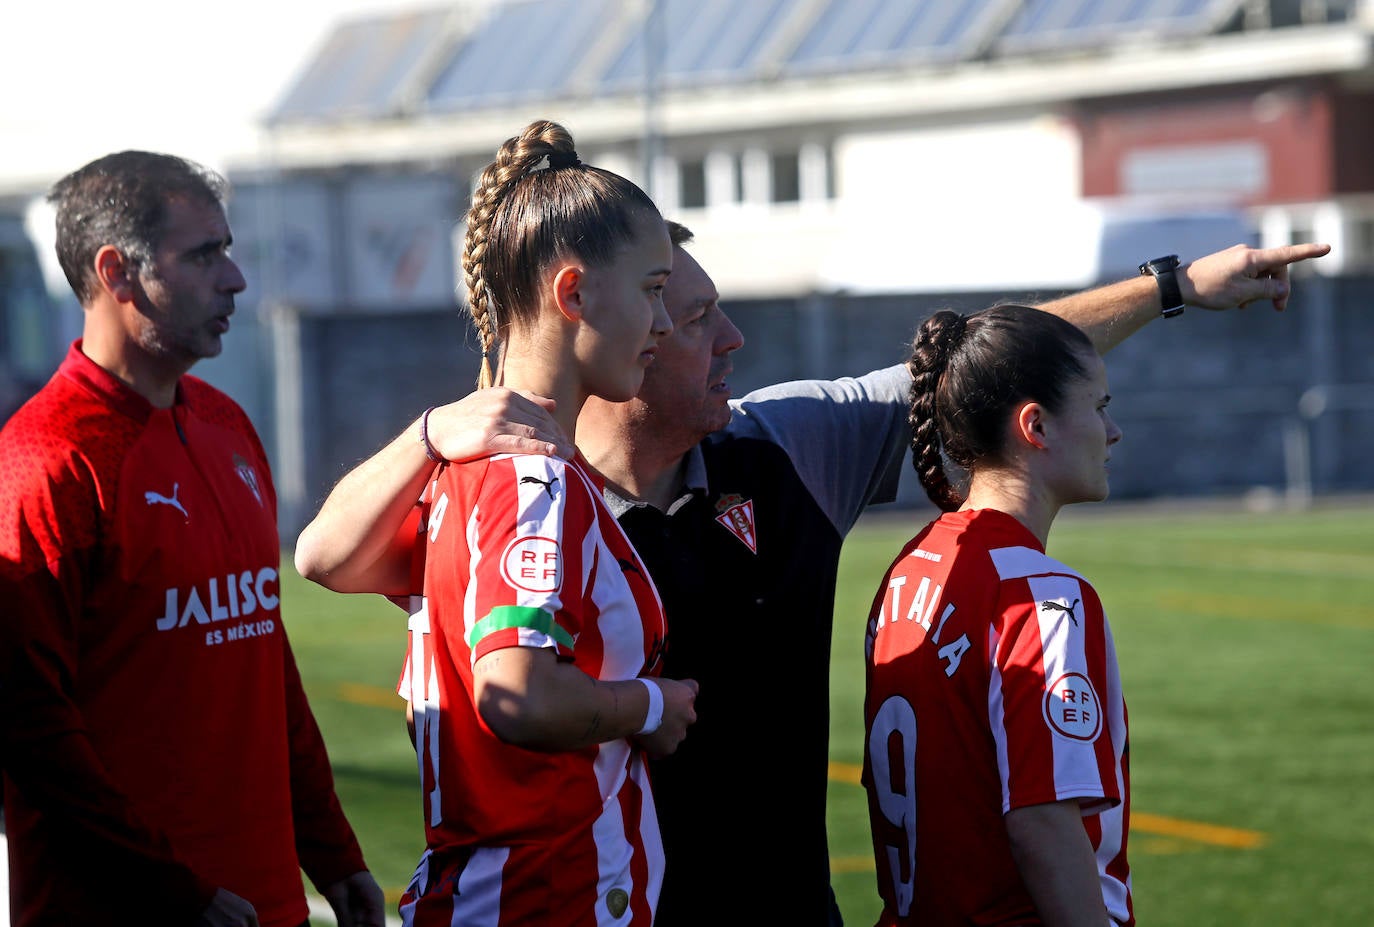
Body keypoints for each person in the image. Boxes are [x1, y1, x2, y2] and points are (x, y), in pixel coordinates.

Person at [294, 224, 1329, 925]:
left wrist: (1171, 289)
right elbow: (329, 558)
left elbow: (979, 369)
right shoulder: (524, 501)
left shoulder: (784, 448)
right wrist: (429, 432)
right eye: (690, 315)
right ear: (626, 334)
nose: (728, 337)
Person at [0, 151, 385, 927]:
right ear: (117, 272)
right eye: (204, 254)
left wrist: (333, 852)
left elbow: (265, 662)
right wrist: (177, 891)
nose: (236, 278)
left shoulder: (227, 426)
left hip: (265, 901)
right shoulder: (45, 463)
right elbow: (31, 730)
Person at [386, 120, 699, 926]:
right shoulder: (531, 479)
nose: (664, 325)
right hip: (541, 898)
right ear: (574, 295)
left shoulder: (467, 469)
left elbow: (323, 553)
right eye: (654, 289)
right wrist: (652, 706)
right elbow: (516, 696)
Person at [863, 303, 1129, 925]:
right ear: (1035, 426)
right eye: (1099, 407)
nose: (1113, 432)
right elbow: (1043, 820)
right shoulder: (1042, 594)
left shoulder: (913, 564)